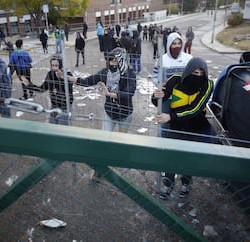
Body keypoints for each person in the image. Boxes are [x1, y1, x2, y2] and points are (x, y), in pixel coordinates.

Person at [151, 57, 214, 199]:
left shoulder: (208, 84)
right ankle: (168, 185)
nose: (197, 76)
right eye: (194, 72)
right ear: (188, 70)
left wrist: (171, 116)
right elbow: (161, 99)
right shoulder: (175, 80)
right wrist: (156, 96)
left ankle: (185, 183)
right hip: (176, 127)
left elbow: (196, 108)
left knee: (189, 160)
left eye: (200, 73)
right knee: (171, 157)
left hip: (195, 128)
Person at [73, 47, 136, 133]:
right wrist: (72, 79)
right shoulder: (105, 72)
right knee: (105, 135)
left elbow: (129, 92)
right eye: (111, 59)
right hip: (110, 112)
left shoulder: (129, 74)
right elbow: (89, 81)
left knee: (122, 138)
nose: (113, 62)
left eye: (116, 59)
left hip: (125, 113)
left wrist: (109, 94)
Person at [152, 32, 192, 138]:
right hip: (167, 98)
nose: (177, 46)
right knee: (163, 123)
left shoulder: (188, 59)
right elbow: (155, 75)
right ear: (169, 44)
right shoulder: (162, 60)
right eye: (174, 43)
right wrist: (159, 85)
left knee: (180, 123)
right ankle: (161, 143)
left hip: (183, 98)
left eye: (179, 43)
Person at [26, 56, 74, 125]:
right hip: (54, 105)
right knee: (52, 126)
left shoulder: (67, 75)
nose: (54, 68)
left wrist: (62, 77)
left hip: (65, 107)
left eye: (56, 65)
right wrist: (29, 85)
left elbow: (68, 88)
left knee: (63, 128)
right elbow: (42, 89)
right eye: (52, 65)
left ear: (60, 66)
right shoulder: (50, 74)